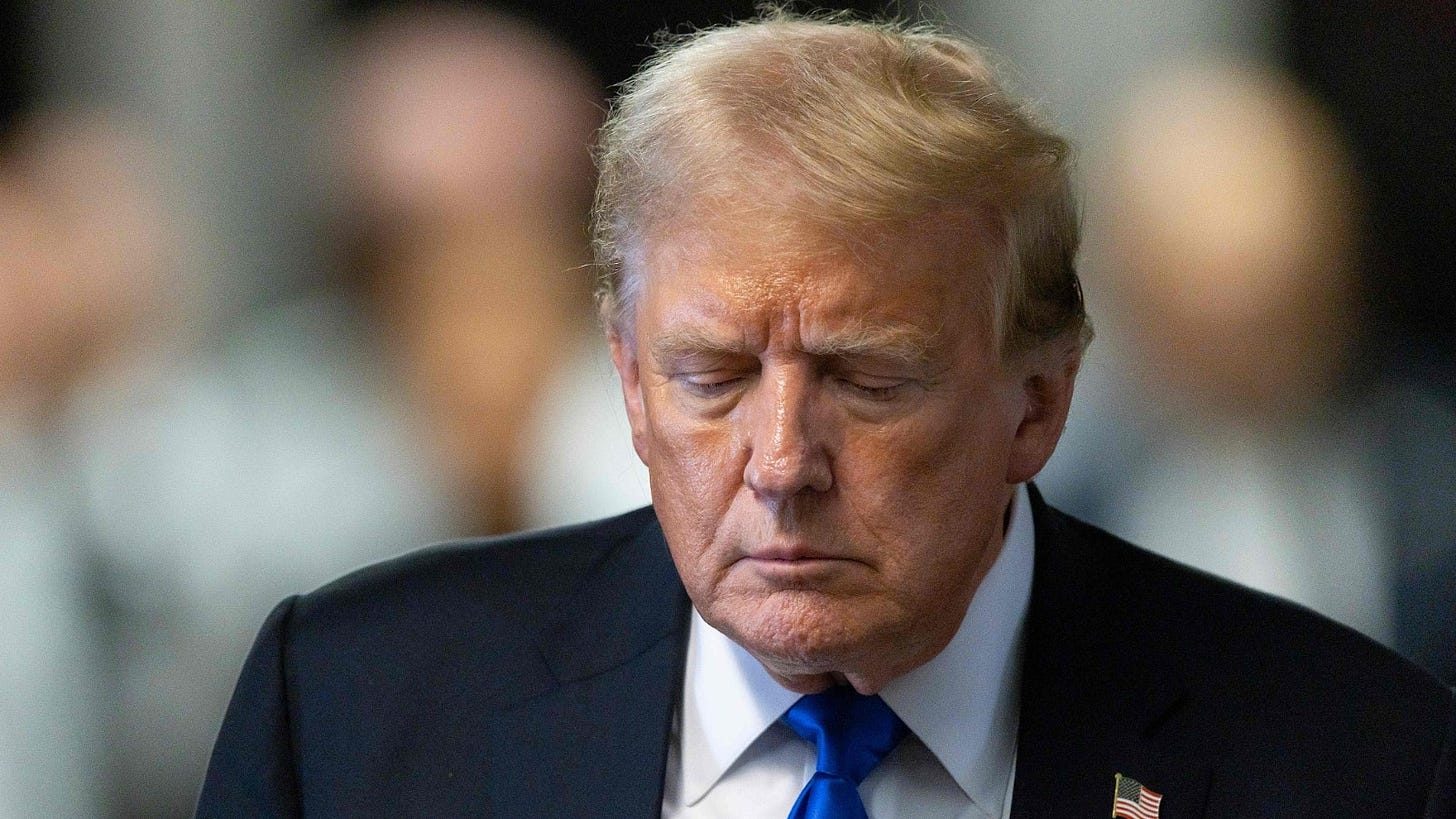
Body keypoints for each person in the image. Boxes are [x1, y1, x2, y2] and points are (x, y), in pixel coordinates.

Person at [197, 12, 1455, 817]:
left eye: (869, 379)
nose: (783, 463)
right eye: (711, 378)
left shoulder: (1352, 763)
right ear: (626, 381)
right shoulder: (358, 714)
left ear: (1040, 399)